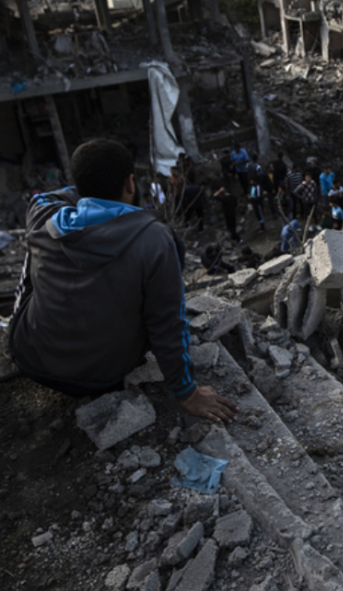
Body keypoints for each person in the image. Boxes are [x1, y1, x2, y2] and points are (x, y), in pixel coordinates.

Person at [8, 139, 237, 422]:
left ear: (79, 187)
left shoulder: (43, 214)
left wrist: (88, 187)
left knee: (36, 258)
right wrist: (187, 393)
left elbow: (46, 196)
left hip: (29, 357)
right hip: (100, 377)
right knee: (150, 301)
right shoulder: (155, 240)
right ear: (130, 183)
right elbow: (167, 325)